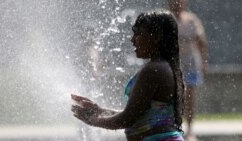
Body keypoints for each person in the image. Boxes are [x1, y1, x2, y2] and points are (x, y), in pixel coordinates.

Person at [71, 9, 185, 141]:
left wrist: (93, 121)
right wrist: (100, 111)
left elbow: (127, 119)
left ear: (156, 36)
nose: (132, 40)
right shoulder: (162, 67)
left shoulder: (153, 70)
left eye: (138, 34)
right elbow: (137, 115)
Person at [167, 0, 208, 141]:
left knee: (190, 99)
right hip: (173, 66)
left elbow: (201, 43)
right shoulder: (165, 19)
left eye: (179, 2)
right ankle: (174, 128)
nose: (176, 5)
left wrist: (204, 63)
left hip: (191, 64)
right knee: (173, 98)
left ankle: (190, 131)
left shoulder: (192, 20)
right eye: (173, 2)